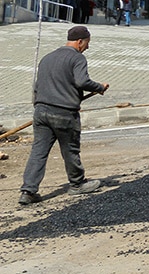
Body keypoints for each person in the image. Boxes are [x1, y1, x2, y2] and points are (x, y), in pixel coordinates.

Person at [19, 26, 108, 205]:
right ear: (80, 41)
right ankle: (77, 184)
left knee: (38, 151)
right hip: (64, 114)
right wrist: (99, 87)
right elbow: (81, 81)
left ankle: (28, 191)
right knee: (70, 150)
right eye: (87, 44)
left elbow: (37, 87)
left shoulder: (47, 58)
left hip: (41, 112)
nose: (87, 48)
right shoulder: (77, 58)